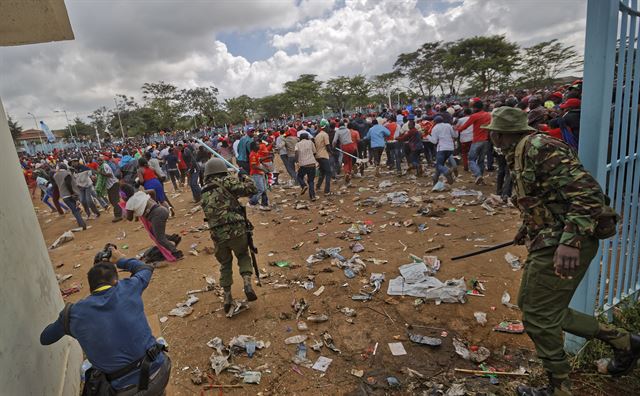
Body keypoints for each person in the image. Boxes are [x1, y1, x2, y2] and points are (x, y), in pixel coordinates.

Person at [485, 107, 638, 396]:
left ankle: (560, 386)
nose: (491, 136)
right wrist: (528, 227)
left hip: (563, 242)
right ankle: (623, 342)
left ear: (502, 133)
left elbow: (588, 194)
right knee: (539, 309)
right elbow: (547, 198)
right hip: (548, 238)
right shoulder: (520, 150)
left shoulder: (540, 148)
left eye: (493, 132)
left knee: (538, 316)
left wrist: (570, 241)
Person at [40, 247, 171, 395]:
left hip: (125, 391)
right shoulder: (129, 288)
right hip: (161, 371)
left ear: (91, 287)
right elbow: (144, 268)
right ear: (115, 280)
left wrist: (65, 322)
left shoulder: (73, 314)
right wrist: (119, 259)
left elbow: (45, 338)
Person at [200, 158, 259, 316]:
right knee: (243, 255)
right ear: (222, 170)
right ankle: (247, 283)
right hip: (236, 230)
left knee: (225, 264)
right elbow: (252, 189)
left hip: (217, 234)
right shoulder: (227, 181)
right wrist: (245, 176)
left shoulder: (203, 190)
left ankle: (227, 296)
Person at [120, 184, 182, 261]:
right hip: (161, 209)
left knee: (159, 238)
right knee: (154, 232)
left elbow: (129, 218)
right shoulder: (139, 193)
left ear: (124, 196)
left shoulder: (129, 204)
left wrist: (124, 212)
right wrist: (154, 201)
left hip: (156, 216)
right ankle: (174, 238)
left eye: (121, 196)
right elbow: (152, 191)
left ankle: (176, 252)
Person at [457, 100, 492, 184]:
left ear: (475, 108)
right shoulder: (488, 115)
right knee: (481, 160)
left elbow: (464, 127)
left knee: (471, 159)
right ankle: (481, 178)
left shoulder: (474, 116)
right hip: (486, 140)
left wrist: (456, 128)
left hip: (477, 140)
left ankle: (478, 175)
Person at [53, 163, 87, 230]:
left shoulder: (55, 175)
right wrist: (72, 193)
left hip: (64, 196)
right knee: (76, 210)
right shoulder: (67, 174)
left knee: (74, 209)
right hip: (70, 194)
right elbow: (68, 184)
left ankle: (80, 223)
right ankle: (82, 224)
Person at [428, 116, 458, 184]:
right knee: (440, 165)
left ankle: (446, 171)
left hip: (441, 149)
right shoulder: (448, 125)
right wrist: (456, 129)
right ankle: (435, 179)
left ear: (435, 122)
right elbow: (455, 136)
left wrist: (427, 136)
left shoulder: (435, 128)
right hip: (450, 148)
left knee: (438, 165)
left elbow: (434, 141)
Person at [97, 156, 123, 222]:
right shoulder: (102, 166)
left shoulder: (105, 166)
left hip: (113, 184)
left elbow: (110, 175)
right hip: (110, 185)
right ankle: (120, 212)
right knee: (112, 200)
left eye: (100, 160)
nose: (99, 161)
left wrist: (101, 173)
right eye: (98, 160)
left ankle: (118, 215)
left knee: (115, 200)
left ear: (103, 160)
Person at [295, 133, 317, 201]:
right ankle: (312, 196)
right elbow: (314, 152)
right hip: (312, 163)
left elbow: (296, 152)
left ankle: (303, 185)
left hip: (303, 164)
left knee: (299, 176)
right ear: (307, 137)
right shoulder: (310, 142)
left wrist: (297, 161)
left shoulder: (297, 144)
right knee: (311, 180)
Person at [248, 141, 270, 209]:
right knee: (260, 190)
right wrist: (263, 169)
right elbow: (254, 166)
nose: (259, 146)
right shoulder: (252, 155)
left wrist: (267, 157)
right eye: (257, 145)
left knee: (264, 189)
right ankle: (252, 202)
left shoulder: (255, 153)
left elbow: (259, 159)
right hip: (256, 174)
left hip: (259, 173)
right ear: (253, 147)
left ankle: (264, 204)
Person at [314, 119, 333, 195]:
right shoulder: (325, 134)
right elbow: (327, 146)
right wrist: (331, 152)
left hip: (318, 156)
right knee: (329, 172)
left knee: (322, 172)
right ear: (325, 127)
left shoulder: (317, 135)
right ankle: (327, 191)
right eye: (327, 127)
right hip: (323, 156)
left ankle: (318, 186)